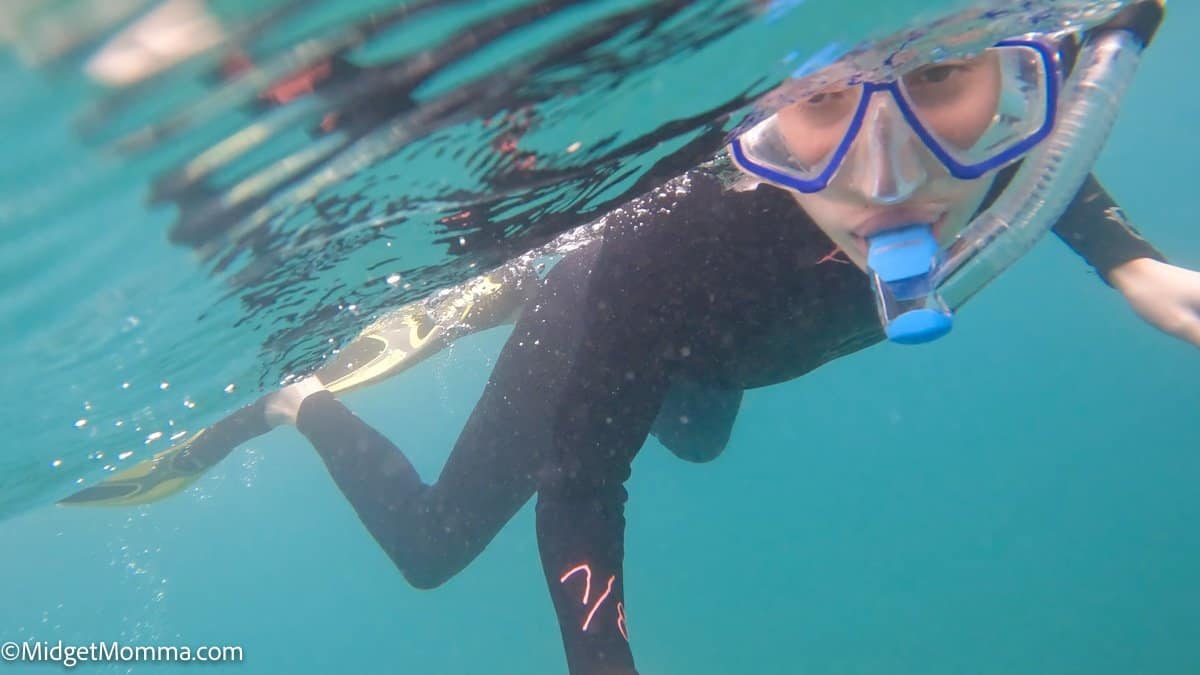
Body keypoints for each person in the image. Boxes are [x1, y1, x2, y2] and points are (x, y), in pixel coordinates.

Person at [65, 3, 1196, 673]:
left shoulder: (1009, 136)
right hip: (620, 317)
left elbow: (1037, 161)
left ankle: (509, 287)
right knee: (433, 549)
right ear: (753, 117)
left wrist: (1130, 262)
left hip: (718, 353)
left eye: (943, 81)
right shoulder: (676, 250)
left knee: (700, 443)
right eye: (817, 109)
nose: (888, 175)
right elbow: (581, 483)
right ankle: (299, 396)